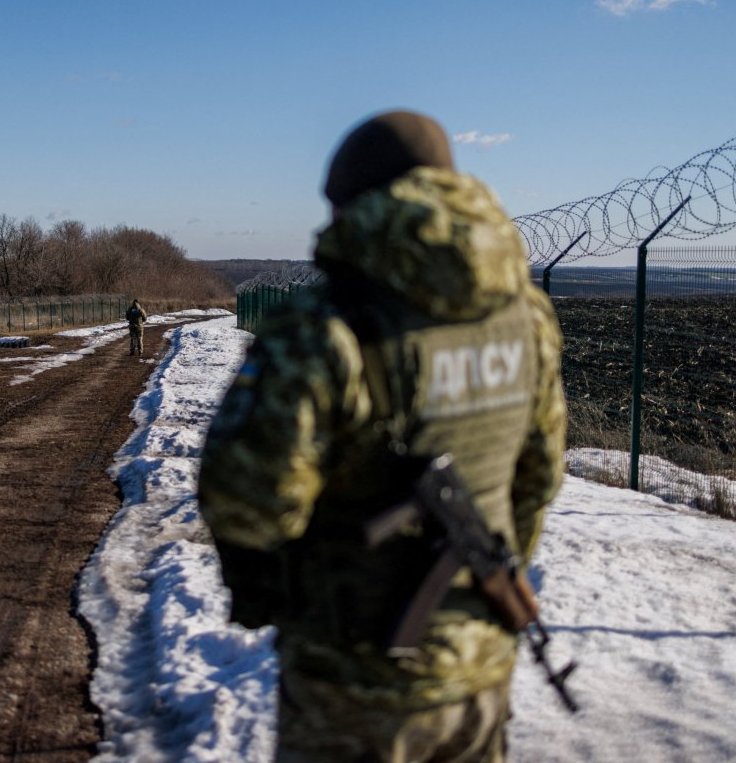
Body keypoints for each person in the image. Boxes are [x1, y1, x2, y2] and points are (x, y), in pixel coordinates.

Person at [197, 111, 567, 762]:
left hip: (353, 677)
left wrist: (273, 593)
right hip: (482, 661)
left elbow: (248, 495)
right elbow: (538, 474)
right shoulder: (524, 314)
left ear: (351, 205)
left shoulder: (326, 323)